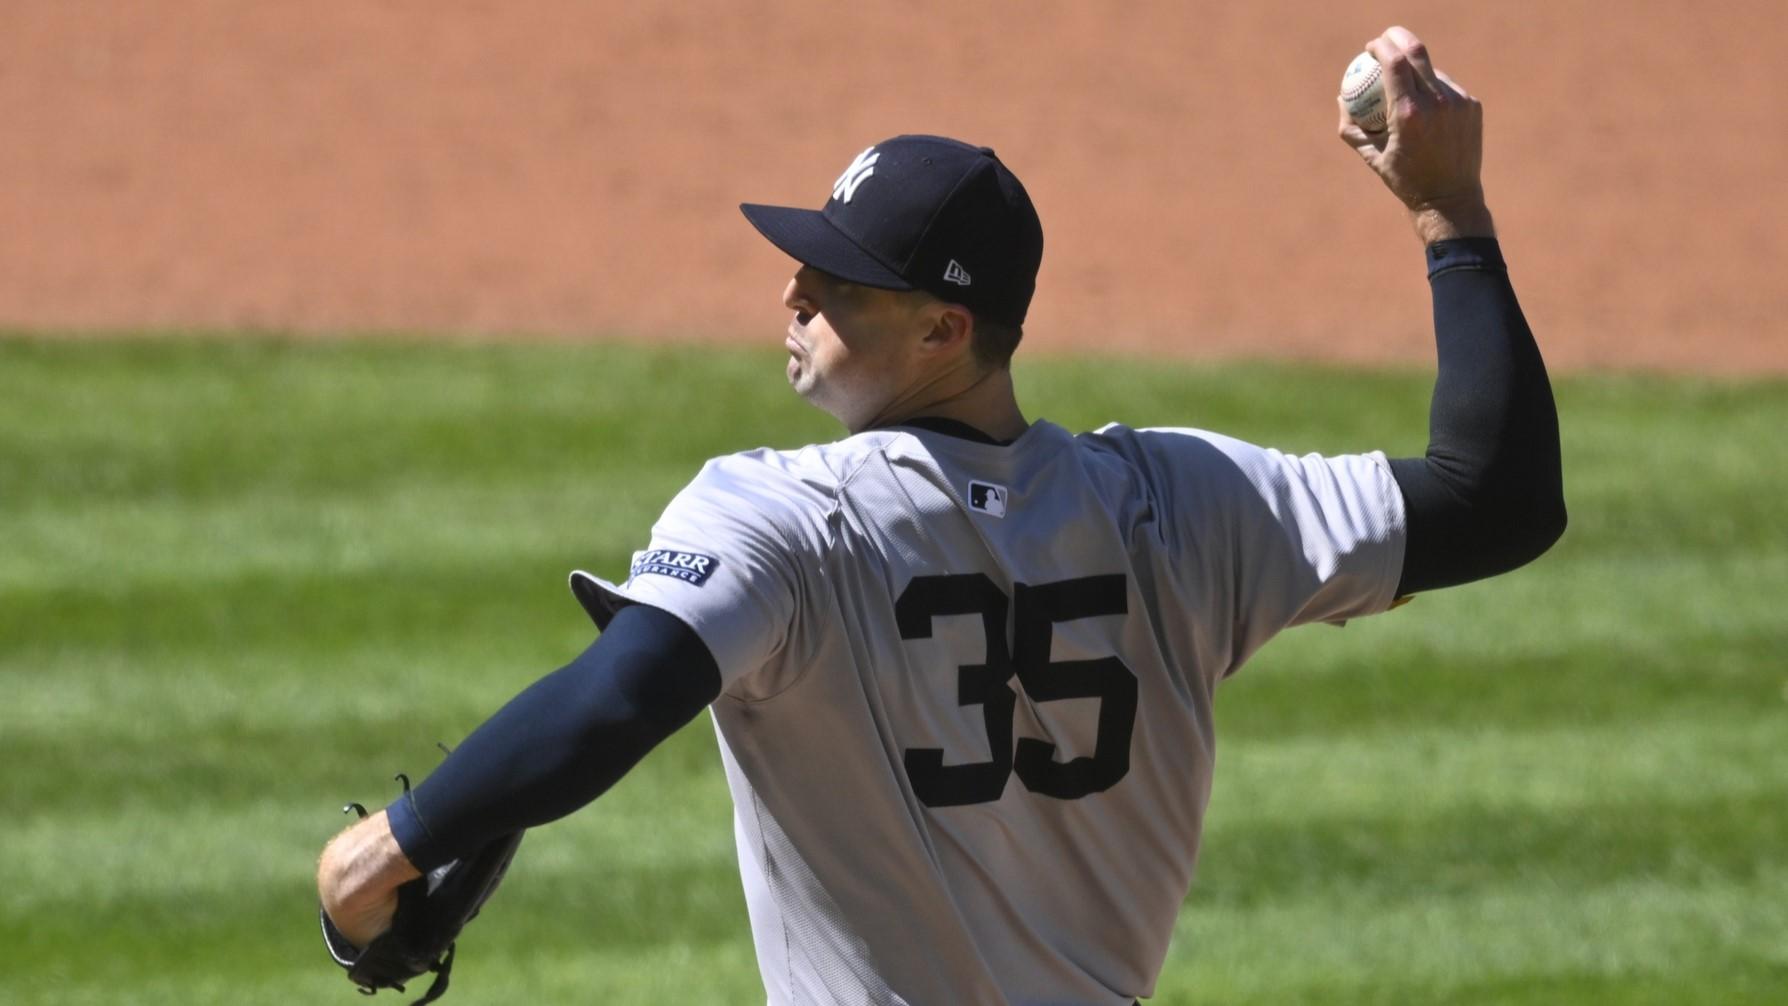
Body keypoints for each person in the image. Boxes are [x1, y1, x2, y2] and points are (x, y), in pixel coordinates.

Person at [318, 25, 1564, 1004]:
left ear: (943, 330)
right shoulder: (1191, 506)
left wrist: (388, 849)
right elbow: (1496, 499)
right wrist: (1449, 212)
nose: (795, 290)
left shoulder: (785, 517)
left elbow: (618, 697)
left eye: (842, 281)